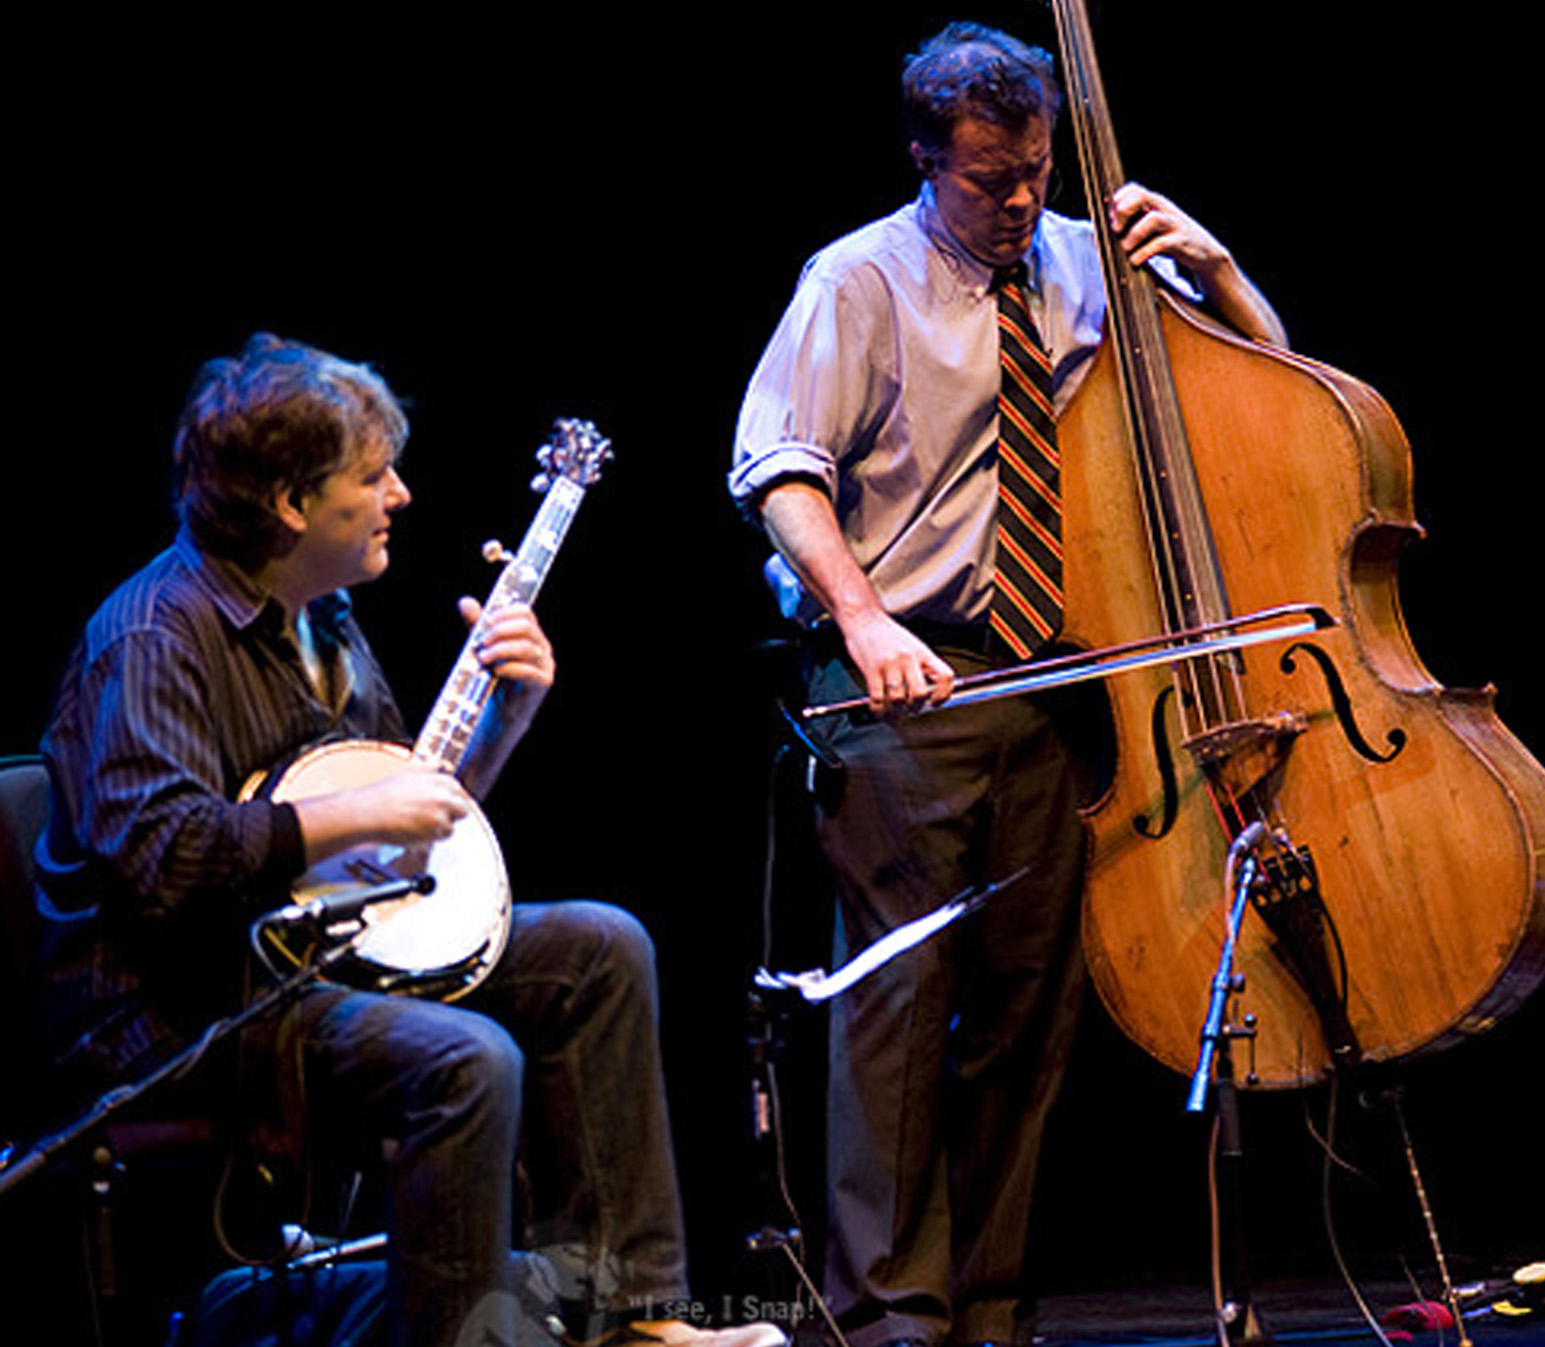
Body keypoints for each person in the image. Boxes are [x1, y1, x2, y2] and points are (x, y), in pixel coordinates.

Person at [35, 333, 784, 1347]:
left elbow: (404, 826)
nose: (400, 495)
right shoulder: (154, 636)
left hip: (321, 952)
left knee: (597, 950)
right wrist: (356, 816)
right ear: (293, 505)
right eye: (372, 476)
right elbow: (164, 856)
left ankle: (630, 1324)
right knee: (464, 1059)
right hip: (192, 1006)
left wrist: (504, 718)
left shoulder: (323, 616)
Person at [728, 23, 1286, 1347]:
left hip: (1060, 683)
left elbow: (1272, 387)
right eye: (992, 179)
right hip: (910, 682)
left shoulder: (1091, 260)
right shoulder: (858, 280)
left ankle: (989, 1304)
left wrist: (1215, 267)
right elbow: (779, 468)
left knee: (1027, 1013)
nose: (1023, 201)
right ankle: (893, 1315)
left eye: (1036, 171)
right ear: (929, 160)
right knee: (901, 1018)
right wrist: (862, 620)